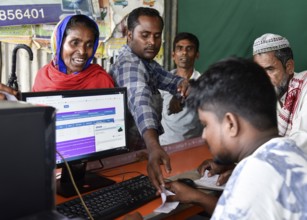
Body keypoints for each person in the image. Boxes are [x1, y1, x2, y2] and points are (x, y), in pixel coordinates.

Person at [163, 57, 307, 219]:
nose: (204, 135)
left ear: (231, 123)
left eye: (206, 124)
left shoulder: (251, 182)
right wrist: (198, 197)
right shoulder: (292, 151)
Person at [109, 7, 189, 191]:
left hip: (139, 154)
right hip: (124, 161)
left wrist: (182, 85)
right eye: (144, 35)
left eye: (157, 36)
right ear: (129, 35)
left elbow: (171, 80)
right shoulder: (129, 65)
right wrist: (154, 146)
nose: (152, 42)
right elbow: (140, 100)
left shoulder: (148, 64)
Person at [253, 33, 307, 150]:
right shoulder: (266, 96)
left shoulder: (305, 88)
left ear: (289, 67)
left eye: (269, 69)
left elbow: (302, 140)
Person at [32, 14, 114, 91]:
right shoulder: (43, 78)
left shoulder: (101, 81)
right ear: (59, 44)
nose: (82, 51)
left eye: (89, 45)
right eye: (75, 43)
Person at [159, 32, 203, 145]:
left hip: (193, 148)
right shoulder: (162, 81)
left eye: (189, 49)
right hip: (165, 147)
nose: (184, 53)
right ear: (173, 55)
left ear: (197, 55)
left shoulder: (203, 83)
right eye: (180, 48)